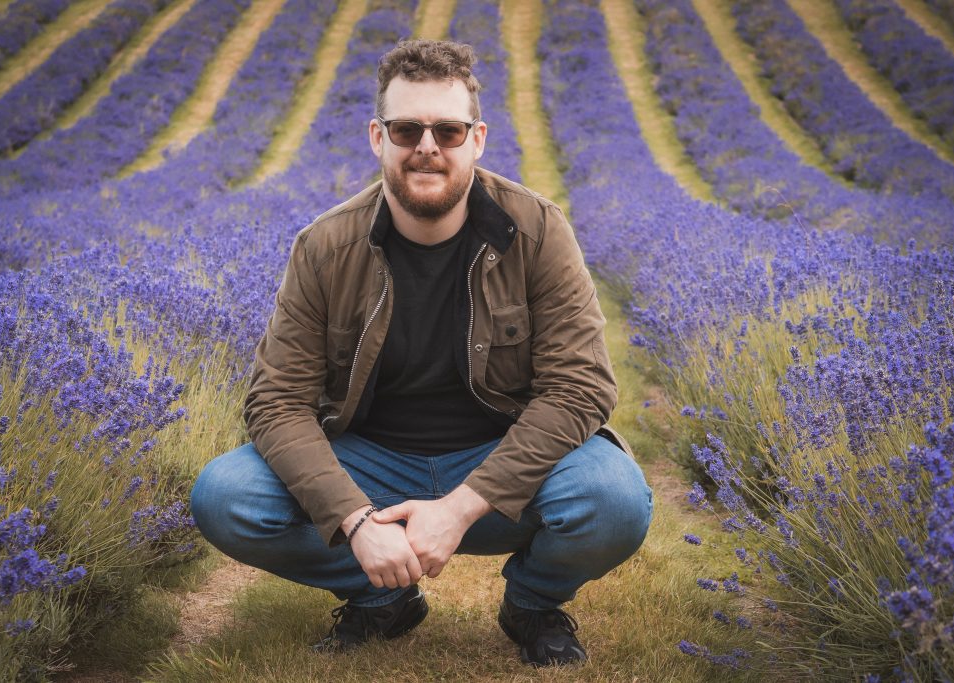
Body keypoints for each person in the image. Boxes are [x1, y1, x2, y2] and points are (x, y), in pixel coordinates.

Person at [190, 38, 653, 667]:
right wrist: (355, 521)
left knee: (615, 500)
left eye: (448, 129)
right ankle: (383, 597)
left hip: (498, 461)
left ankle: (534, 603)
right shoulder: (325, 247)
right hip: (371, 466)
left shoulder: (538, 231)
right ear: (378, 138)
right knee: (226, 495)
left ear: (478, 138)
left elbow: (581, 389)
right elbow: (277, 402)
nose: (427, 146)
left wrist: (461, 508)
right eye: (407, 128)